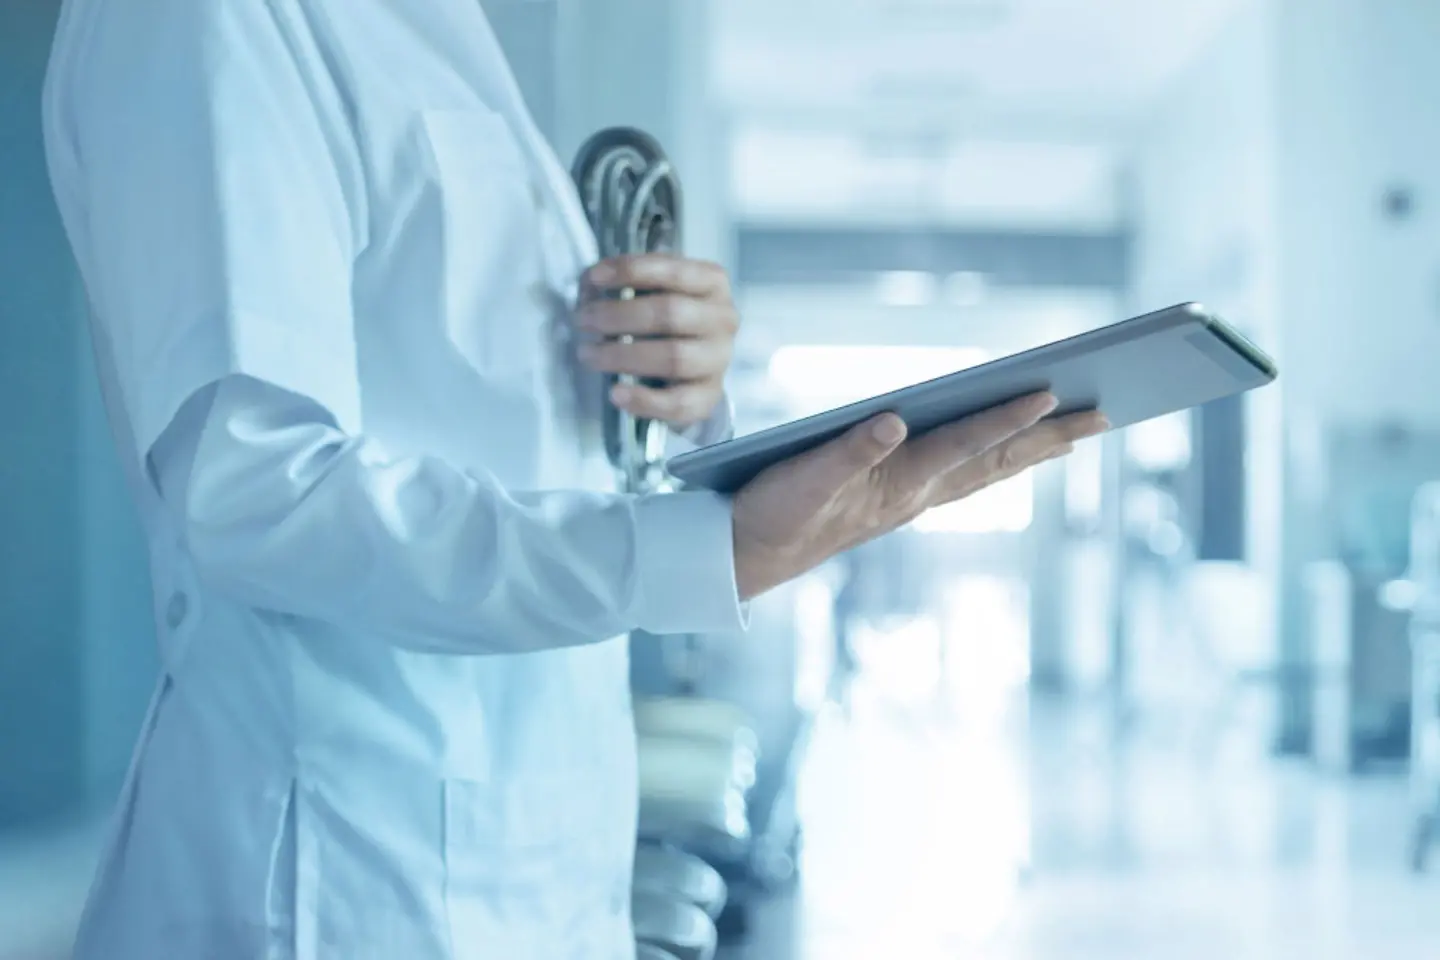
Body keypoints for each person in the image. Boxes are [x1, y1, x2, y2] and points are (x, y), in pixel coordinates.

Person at [41, 1, 1107, 957]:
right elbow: (254, 496)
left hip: (537, 851)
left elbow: (508, 426)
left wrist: (678, 381)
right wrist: (703, 552)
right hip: (345, 875)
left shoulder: (443, 35)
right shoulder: (206, 19)